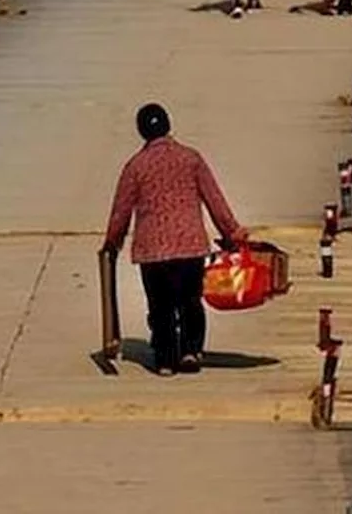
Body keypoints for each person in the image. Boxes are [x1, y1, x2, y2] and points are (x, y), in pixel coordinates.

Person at [102, 104, 249, 376]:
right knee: (190, 300)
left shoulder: (135, 166)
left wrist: (112, 242)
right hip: (190, 245)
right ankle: (191, 351)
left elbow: (121, 210)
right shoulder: (190, 158)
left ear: (141, 131)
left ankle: (166, 360)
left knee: (160, 306)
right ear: (168, 125)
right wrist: (233, 232)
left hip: (153, 250)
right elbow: (214, 198)